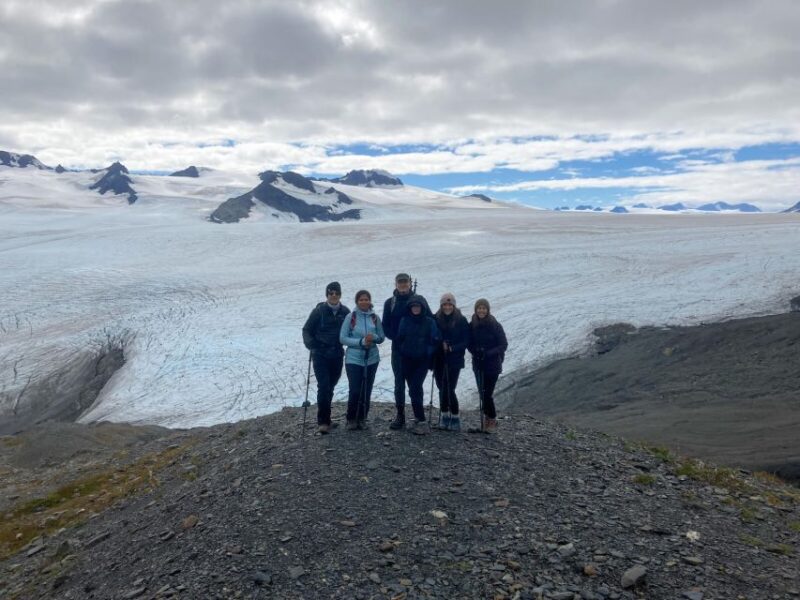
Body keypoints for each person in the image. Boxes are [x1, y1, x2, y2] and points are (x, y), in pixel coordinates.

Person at [383, 273, 432, 430]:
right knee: (399, 384)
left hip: (417, 351)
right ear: (395, 284)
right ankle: (400, 416)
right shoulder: (390, 303)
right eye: (400, 282)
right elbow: (385, 325)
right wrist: (397, 338)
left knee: (415, 385)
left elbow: (430, 320)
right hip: (398, 351)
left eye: (405, 282)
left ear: (410, 283)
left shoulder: (419, 300)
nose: (403, 285)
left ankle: (419, 416)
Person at [302, 282, 350, 434]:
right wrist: (313, 345)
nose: (334, 295)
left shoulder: (345, 312)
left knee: (331, 386)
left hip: (337, 354)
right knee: (324, 386)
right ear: (327, 295)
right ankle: (323, 422)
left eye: (336, 293)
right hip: (320, 355)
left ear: (340, 294)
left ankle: (327, 419)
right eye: (331, 293)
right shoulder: (319, 311)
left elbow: (351, 330)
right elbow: (307, 329)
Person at [340, 290, 385, 430]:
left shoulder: (375, 318)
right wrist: (361, 341)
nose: (364, 302)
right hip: (353, 358)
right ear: (357, 302)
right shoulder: (351, 317)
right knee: (355, 389)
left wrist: (374, 338)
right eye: (361, 300)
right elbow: (342, 338)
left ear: (370, 301)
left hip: (372, 358)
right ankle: (351, 418)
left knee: (367, 389)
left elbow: (382, 337)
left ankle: (362, 418)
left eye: (366, 299)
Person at [395, 296, 440, 434]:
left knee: (415, 387)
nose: (415, 308)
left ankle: (421, 420)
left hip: (422, 361)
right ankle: (418, 417)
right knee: (414, 389)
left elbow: (435, 339)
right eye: (413, 306)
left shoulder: (429, 322)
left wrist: (427, 351)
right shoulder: (405, 321)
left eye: (418, 306)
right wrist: (403, 350)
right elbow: (399, 337)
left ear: (422, 308)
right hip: (407, 359)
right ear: (410, 308)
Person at [467, 298, 508, 433]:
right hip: (478, 364)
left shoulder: (495, 325)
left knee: (487, 394)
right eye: (479, 308)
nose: (481, 310)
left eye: (484, 308)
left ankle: (492, 419)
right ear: (476, 309)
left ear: (488, 310)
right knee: (482, 393)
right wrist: (475, 351)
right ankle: (487, 421)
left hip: (492, 365)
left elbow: (503, 344)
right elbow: (469, 342)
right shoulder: (472, 324)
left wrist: (489, 353)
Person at [432, 292, 470, 432]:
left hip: (454, 360)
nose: (447, 307)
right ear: (441, 305)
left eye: (450, 304)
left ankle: (454, 417)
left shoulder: (461, 320)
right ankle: (445, 415)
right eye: (445, 304)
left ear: (453, 305)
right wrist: (439, 343)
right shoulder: (435, 318)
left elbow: (466, 340)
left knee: (449, 388)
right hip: (439, 359)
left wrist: (452, 347)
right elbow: (432, 335)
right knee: (442, 388)